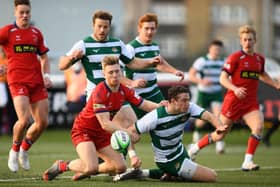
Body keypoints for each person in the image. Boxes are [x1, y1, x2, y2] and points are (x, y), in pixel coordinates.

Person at [58, 10, 162, 162]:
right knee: (118, 129)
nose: (102, 30)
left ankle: (115, 158)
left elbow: (131, 62)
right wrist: (73, 57)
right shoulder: (84, 44)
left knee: (133, 129)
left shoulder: (117, 43)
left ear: (109, 27)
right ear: (93, 25)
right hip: (98, 95)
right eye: (99, 26)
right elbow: (62, 65)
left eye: (105, 27)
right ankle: (128, 159)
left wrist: (149, 62)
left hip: (117, 92)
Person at [43, 56, 162, 181]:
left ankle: (86, 170)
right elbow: (105, 124)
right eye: (111, 72)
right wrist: (128, 133)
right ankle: (62, 165)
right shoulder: (100, 91)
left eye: (117, 71)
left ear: (121, 72)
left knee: (120, 167)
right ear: (104, 74)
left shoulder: (125, 90)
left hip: (101, 133)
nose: (115, 75)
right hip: (84, 131)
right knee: (91, 167)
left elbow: (144, 104)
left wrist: (161, 107)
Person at [188, 25, 280, 171]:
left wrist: (275, 84)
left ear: (255, 41)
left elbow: (262, 74)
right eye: (245, 39)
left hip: (250, 103)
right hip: (233, 102)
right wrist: (235, 89)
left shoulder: (259, 59)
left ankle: (247, 161)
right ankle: (195, 148)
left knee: (258, 127)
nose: (247, 42)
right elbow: (223, 78)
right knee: (220, 135)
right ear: (241, 41)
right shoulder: (235, 58)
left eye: (250, 39)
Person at [114, 85, 225, 182]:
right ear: (173, 101)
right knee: (212, 176)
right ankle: (168, 171)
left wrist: (220, 127)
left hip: (181, 152)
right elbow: (129, 132)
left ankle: (142, 173)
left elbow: (209, 116)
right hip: (167, 160)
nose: (187, 103)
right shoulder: (155, 117)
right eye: (184, 100)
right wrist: (133, 156)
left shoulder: (189, 108)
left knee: (178, 177)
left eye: (188, 99)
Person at [0, 0, 52, 172]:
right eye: (21, 12)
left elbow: (44, 57)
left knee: (43, 122)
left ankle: (24, 149)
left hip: (37, 81)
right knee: (24, 120)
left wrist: (46, 75)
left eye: (27, 12)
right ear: (15, 12)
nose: (24, 15)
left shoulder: (36, 33)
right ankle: (14, 151)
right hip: (17, 80)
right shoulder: (7, 31)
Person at [125, 13, 184, 119]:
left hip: (153, 91)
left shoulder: (154, 46)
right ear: (139, 28)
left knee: (166, 117)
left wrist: (174, 71)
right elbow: (118, 70)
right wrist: (132, 83)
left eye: (152, 29)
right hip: (136, 94)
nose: (149, 32)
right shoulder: (130, 47)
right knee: (135, 128)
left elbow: (159, 64)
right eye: (146, 28)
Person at [188, 40, 225, 154]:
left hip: (217, 92)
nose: (216, 51)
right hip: (203, 93)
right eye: (214, 49)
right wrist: (201, 81)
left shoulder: (224, 61)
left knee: (218, 115)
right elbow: (191, 75)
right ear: (210, 49)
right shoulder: (202, 61)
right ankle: (196, 135)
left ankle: (219, 142)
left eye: (218, 49)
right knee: (202, 119)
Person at [0, 46, 17, 135]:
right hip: (2, 84)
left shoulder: (11, 59)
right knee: (3, 105)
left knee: (12, 107)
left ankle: (12, 128)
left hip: (11, 84)